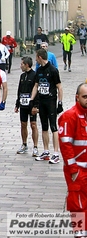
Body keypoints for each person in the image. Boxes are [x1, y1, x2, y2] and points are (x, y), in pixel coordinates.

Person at [58, 83, 87, 236]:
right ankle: (80, 233)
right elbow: (65, 145)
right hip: (77, 169)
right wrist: (73, 170)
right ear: (77, 97)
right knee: (78, 203)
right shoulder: (69, 116)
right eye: (85, 97)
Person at [30, 49, 63, 164]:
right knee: (44, 126)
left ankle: (56, 153)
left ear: (39, 57)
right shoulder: (39, 70)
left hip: (51, 101)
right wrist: (31, 99)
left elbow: (59, 87)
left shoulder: (53, 70)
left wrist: (60, 102)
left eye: (36, 57)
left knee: (53, 126)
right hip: (42, 101)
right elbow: (36, 86)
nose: (35, 59)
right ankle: (46, 151)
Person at [14, 57, 39, 156]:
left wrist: (35, 105)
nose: (20, 66)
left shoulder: (34, 75)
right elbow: (19, 90)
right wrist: (17, 104)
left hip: (31, 105)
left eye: (22, 64)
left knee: (33, 125)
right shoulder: (22, 76)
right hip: (23, 104)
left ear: (26, 65)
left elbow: (37, 91)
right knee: (23, 124)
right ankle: (24, 144)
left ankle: (35, 146)